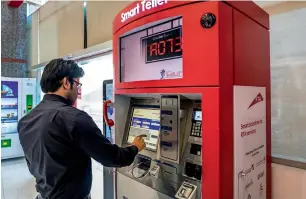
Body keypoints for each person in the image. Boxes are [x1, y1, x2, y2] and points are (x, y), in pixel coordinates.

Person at [17, 58, 146, 199]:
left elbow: (33, 165)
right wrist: (135, 147)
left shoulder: (25, 121)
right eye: (78, 84)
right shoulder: (74, 118)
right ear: (66, 83)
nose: (78, 90)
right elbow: (111, 157)